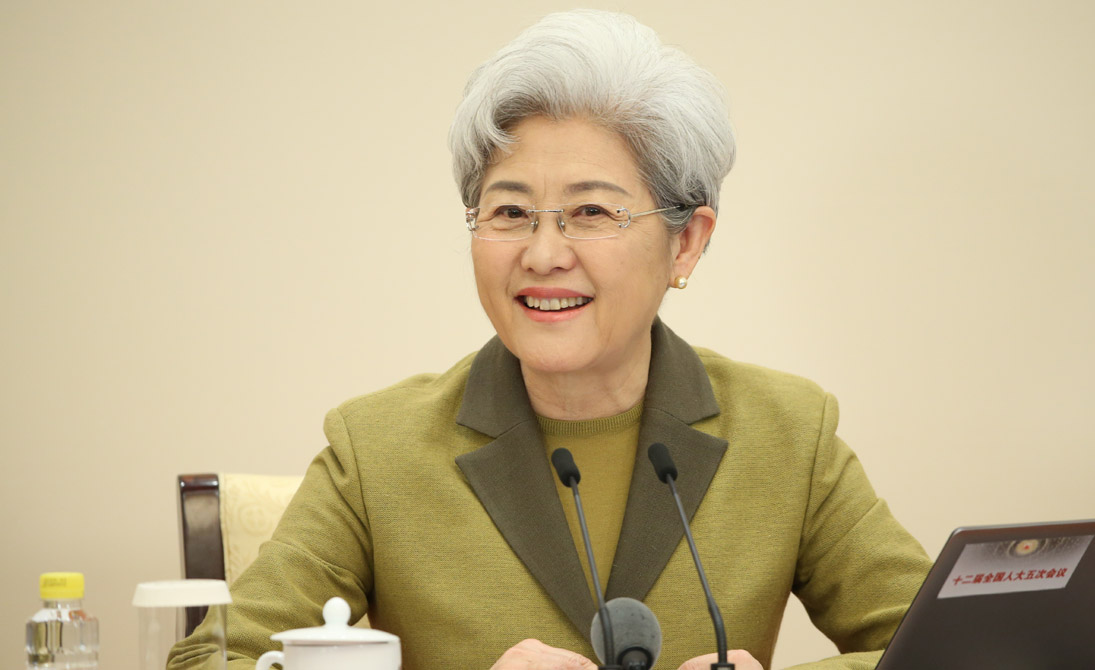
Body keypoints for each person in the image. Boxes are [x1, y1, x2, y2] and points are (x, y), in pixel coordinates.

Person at [169, 9, 930, 670]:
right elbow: (208, 659)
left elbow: (948, 649)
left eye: (591, 213)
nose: (542, 254)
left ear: (686, 243)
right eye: (509, 213)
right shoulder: (377, 450)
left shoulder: (789, 433)